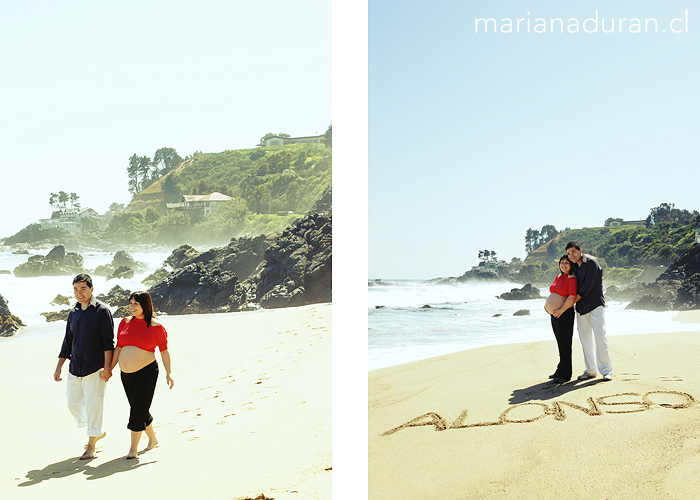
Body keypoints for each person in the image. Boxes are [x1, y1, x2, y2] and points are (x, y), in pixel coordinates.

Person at [54, 274, 115, 460]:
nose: (79, 293)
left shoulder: (102, 312)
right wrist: (59, 367)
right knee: (72, 403)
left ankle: (91, 446)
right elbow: (67, 342)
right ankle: (96, 430)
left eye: (83, 289)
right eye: (75, 289)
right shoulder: (73, 313)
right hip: (75, 367)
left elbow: (108, 343)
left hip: (95, 368)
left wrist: (108, 369)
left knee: (94, 405)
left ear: (91, 289)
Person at [110, 291, 174, 459]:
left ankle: (133, 449)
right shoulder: (124, 323)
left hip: (146, 373)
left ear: (145, 305)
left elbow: (164, 351)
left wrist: (169, 372)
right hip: (126, 375)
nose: (131, 306)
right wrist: (109, 368)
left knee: (137, 411)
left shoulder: (156, 327)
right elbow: (118, 348)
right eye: (130, 303)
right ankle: (152, 439)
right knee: (140, 409)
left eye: (136, 304)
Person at [565, 241, 613, 381]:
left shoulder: (591, 262)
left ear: (580, 250)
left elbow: (587, 285)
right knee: (585, 340)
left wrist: (570, 302)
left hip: (595, 305)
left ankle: (606, 371)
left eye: (573, 252)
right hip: (580, 308)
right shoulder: (574, 267)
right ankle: (591, 370)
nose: (571, 255)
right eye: (568, 254)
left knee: (600, 337)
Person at [544, 255, 578, 383]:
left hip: (565, 314)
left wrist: (561, 310)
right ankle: (560, 369)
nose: (563, 265)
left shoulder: (572, 278)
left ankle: (565, 374)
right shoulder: (559, 277)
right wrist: (547, 307)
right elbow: (554, 292)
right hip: (555, 315)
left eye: (566, 263)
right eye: (562, 263)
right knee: (560, 343)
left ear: (571, 265)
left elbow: (571, 297)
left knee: (565, 344)